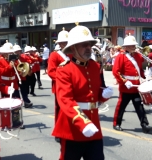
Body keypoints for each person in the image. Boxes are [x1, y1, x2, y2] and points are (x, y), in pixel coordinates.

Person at [52, 23, 113, 160]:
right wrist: (82, 122)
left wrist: (103, 95)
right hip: (73, 128)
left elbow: (93, 94)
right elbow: (65, 100)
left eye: (89, 45)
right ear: (73, 48)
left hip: (94, 126)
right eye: (83, 45)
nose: (88, 48)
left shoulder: (94, 66)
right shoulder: (64, 70)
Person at [112, 33, 152, 133]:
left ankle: (145, 125)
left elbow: (139, 68)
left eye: (134, 45)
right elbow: (116, 71)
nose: (134, 47)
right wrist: (124, 81)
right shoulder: (121, 56)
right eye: (132, 45)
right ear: (126, 47)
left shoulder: (137, 55)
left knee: (139, 106)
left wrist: (144, 77)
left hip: (136, 86)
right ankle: (116, 123)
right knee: (121, 106)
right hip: (126, 86)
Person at [48, 27, 71, 143]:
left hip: (73, 86)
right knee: (60, 110)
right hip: (59, 86)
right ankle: (58, 131)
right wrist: (63, 80)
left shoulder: (73, 54)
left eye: (67, 42)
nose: (65, 44)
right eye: (63, 43)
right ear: (60, 44)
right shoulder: (54, 55)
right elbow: (51, 71)